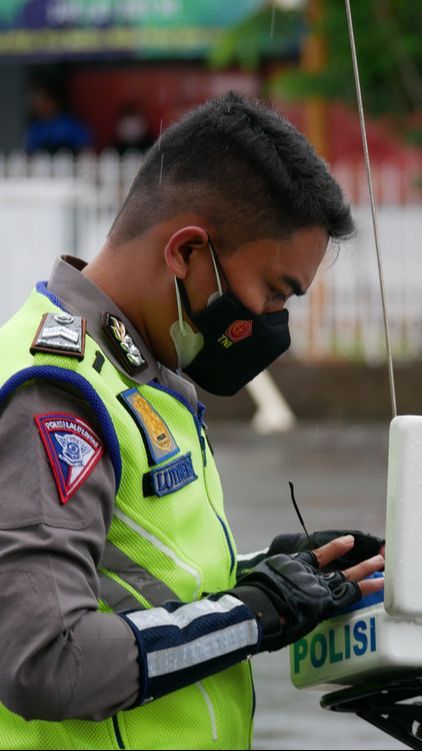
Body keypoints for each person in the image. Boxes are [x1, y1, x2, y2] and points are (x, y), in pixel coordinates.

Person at [0, 92, 384, 750]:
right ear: (186, 253)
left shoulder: (142, 369)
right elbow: (45, 659)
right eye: (274, 291)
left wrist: (276, 570)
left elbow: (133, 580)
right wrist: (255, 613)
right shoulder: (58, 392)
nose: (272, 323)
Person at [25, 84, 91, 155]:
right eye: (38, 102)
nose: (40, 106)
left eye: (44, 101)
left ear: (54, 101)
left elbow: (85, 150)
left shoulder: (71, 125)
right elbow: (29, 154)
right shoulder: (35, 129)